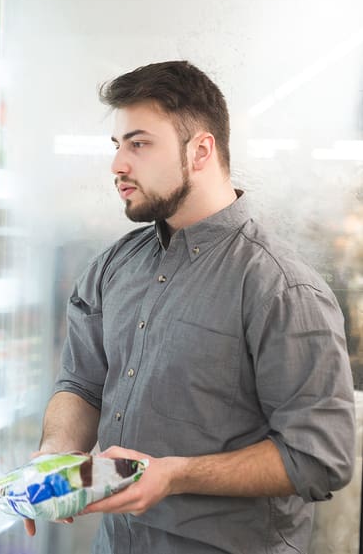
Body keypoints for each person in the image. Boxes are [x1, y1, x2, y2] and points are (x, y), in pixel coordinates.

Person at [26, 60, 356, 553]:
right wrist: (55, 458)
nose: (118, 165)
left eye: (139, 144)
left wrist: (174, 475)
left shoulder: (279, 287)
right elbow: (82, 384)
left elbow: (319, 457)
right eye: (117, 146)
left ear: (201, 150)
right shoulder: (113, 268)